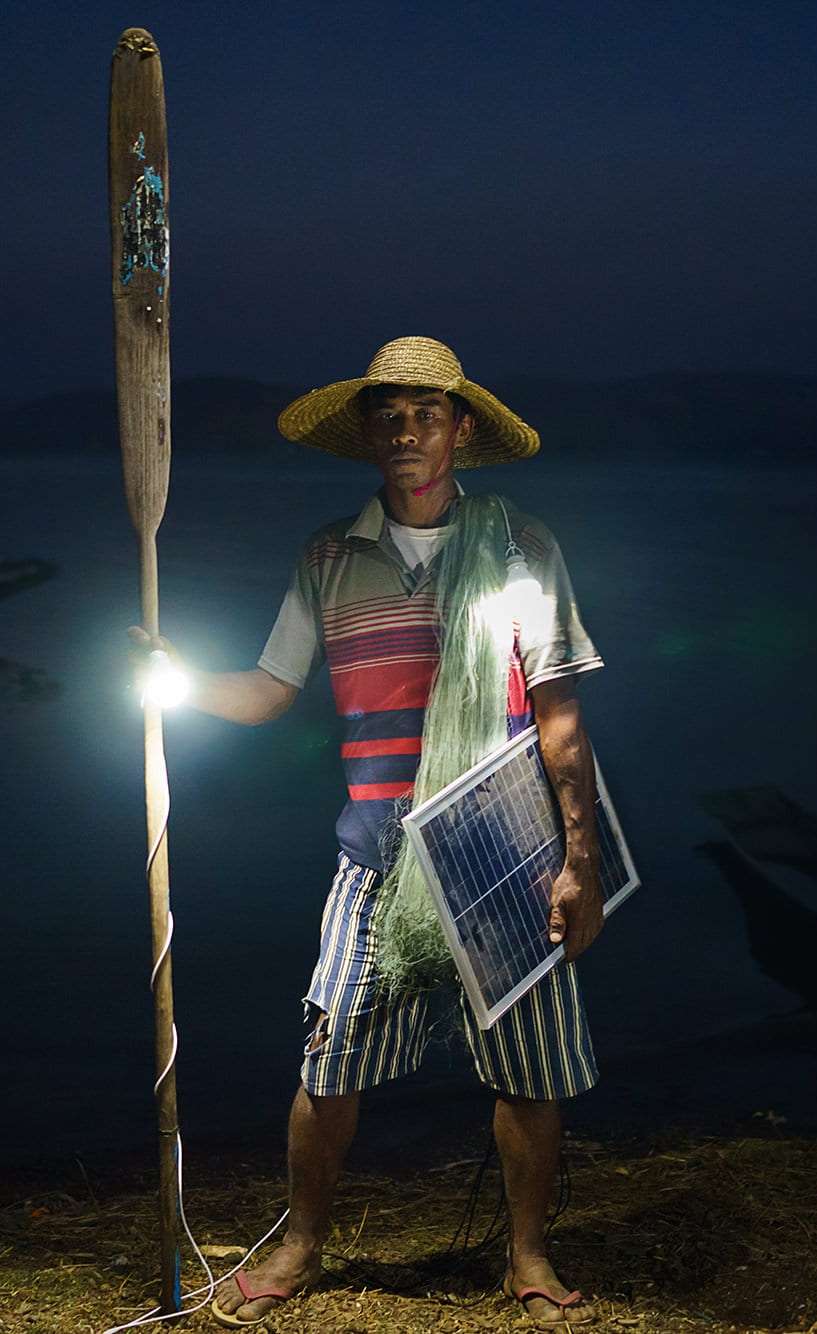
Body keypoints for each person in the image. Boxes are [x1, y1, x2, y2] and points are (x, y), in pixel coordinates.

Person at [129, 336, 607, 1327]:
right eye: (388, 413)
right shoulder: (326, 558)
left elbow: (558, 715)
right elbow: (267, 691)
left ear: (459, 429)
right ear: (369, 435)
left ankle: (526, 1248)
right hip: (375, 851)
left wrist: (579, 859)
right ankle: (301, 1241)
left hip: (500, 845)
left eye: (425, 412)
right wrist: (171, 677)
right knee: (329, 1045)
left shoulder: (520, 549)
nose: (406, 428)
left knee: (526, 1065)